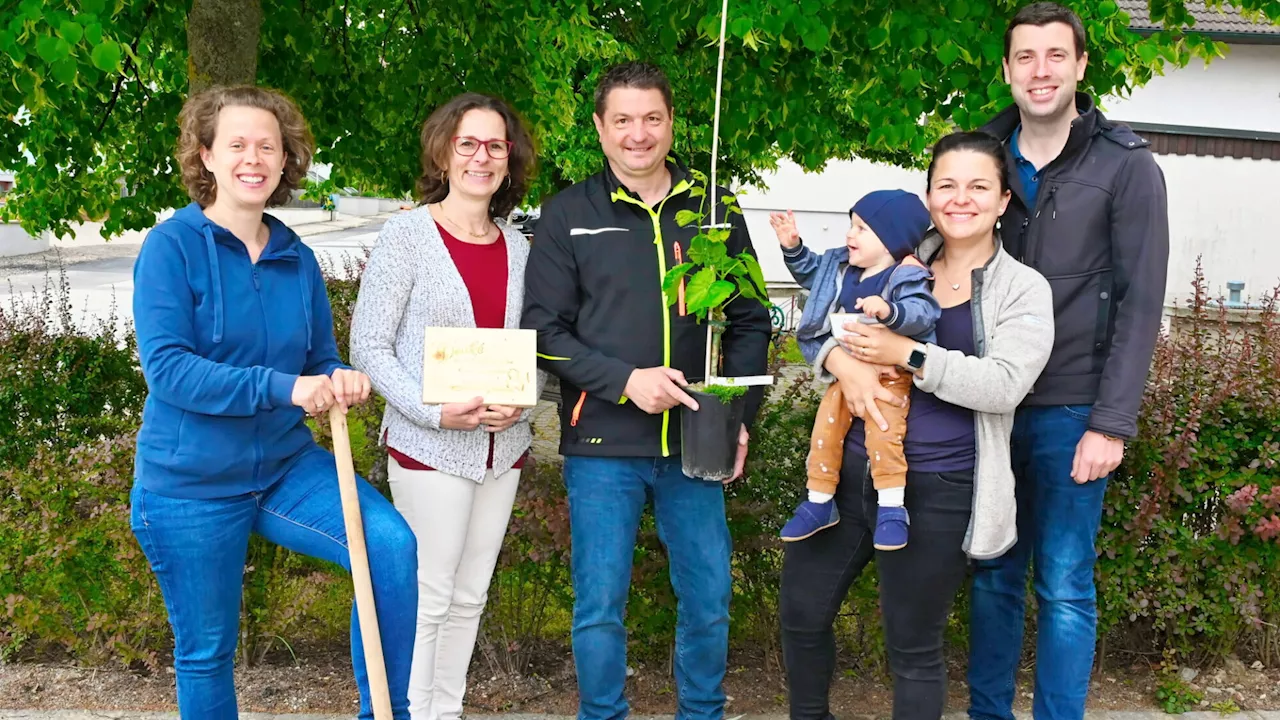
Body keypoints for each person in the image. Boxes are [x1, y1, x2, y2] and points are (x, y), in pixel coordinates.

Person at [129, 85, 417, 719]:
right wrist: (285, 388)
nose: (253, 158)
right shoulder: (171, 248)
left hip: (285, 467)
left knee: (390, 549)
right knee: (207, 651)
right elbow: (170, 371)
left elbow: (318, 357)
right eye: (236, 144)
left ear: (286, 160)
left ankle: (385, 712)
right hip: (191, 484)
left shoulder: (296, 257)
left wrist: (339, 376)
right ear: (205, 155)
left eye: (268, 145)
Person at [521, 61, 772, 720]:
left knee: (711, 598)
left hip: (698, 444)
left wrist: (738, 416)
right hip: (603, 444)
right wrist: (626, 382)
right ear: (601, 128)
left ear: (671, 122)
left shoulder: (714, 209)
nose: (639, 134)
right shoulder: (568, 212)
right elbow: (541, 330)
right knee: (599, 606)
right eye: (623, 120)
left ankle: (702, 714)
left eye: (652, 118)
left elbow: (749, 321)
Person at [779, 131, 1056, 720]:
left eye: (979, 186)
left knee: (912, 646)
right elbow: (819, 325)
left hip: (941, 487)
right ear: (929, 197)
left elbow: (1004, 384)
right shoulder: (889, 263)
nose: (961, 198)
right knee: (801, 613)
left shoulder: (1022, 289)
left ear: (1004, 201)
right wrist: (842, 366)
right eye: (946, 185)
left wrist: (907, 353)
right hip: (852, 469)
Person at [968, 5, 1170, 719]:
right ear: (1007, 70)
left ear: (1081, 66)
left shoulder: (1126, 165)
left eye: (1056, 55)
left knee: (1062, 584)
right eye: (1025, 57)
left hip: (1074, 409)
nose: (1040, 70)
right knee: (992, 575)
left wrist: (1111, 423)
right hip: (989, 405)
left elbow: (1142, 302)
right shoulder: (979, 154)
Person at [350, 92, 541, 720]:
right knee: (429, 598)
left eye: (495, 145)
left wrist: (522, 400)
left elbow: (532, 347)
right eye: (468, 143)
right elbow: (370, 346)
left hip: (501, 450)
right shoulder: (407, 234)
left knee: (470, 598)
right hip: (430, 446)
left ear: (509, 159)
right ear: (443, 151)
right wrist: (435, 412)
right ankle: (406, 713)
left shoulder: (521, 249)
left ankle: (446, 710)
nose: (481, 157)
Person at [770, 191, 938, 549]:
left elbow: (923, 313)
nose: (850, 235)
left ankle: (892, 508)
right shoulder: (842, 267)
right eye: (851, 225)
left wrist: (889, 312)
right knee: (824, 431)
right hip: (844, 373)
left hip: (890, 375)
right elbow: (811, 273)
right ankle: (818, 501)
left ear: (892, 238)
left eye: (862, 228)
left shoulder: (906, 275)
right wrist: (793, 247)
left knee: (884, 431)